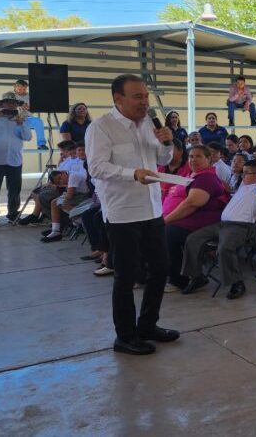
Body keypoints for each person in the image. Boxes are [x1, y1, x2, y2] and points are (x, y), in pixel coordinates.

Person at [85, 74, 178, 355]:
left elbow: (164, 161)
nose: (144, 102)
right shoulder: (101, 128)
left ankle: (148, 325)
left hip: (152, 209)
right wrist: (131, 173)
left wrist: (167, 143)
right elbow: (97, 168)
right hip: (123, 212)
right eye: (137, 97)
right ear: (118, 98)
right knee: (126, 276)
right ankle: (125, 336)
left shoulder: (150, 124)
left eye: (146, 96)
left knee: (161, 268)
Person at [181, 159, 256, 300]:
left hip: (239, 227)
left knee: (224, 248)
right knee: (192, 239)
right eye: (243, 173)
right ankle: (196, 277)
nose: (243, 176)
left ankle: (237, 283)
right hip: (222, 225)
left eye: (246, 173)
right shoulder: (244, 185)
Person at [161, 145, 227, 292]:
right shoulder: (193, 175)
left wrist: (166, 220)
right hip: (188, 219)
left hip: (202, 222)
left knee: (168, 233)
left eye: (198, 156)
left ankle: (179, 279)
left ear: (208, 159)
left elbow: (192, 204)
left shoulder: (206, 178)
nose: (193, 160)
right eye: (191, 156)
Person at [0, 92, 32, 226]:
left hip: (14, 160)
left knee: (15, 190)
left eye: (14, 103)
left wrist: (21, 124)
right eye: (8, 102)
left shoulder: (21, 119)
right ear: (2, 104)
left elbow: (27, 137)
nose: (11, 105)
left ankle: (13, 214)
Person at [11, 79, 47, 149]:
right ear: (15, 87)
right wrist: (19, 105)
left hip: (26, 119)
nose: (22, 91)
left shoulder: (30, 96)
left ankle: (41, 144)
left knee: (38, 121)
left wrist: (28, 108)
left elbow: (34, 109)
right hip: (13, 120)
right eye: (20, 89)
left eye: (24, 89)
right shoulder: (10, 95)